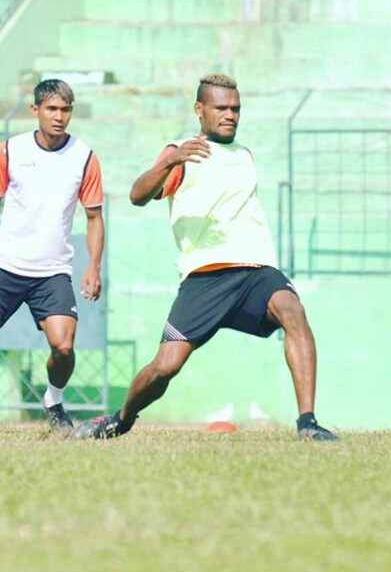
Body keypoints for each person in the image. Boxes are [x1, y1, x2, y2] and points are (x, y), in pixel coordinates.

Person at [71, 74, 338, 441]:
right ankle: (121, 418)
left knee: (292, 310)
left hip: (255, 269)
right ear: (200, 110)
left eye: (236, 108)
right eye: (221, 108)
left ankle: (307, 423)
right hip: (205, 277)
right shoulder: (181, 151)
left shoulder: (245, 154)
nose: (230, 115)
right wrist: (170, 162)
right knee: (166, 367)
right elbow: (137, 195)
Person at [0, 79, 104, 431]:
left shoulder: (84, 156)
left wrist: (93, 266)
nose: (59, 117)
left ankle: (54, 401)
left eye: (65, 110)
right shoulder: (11, 151)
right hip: (6, 265)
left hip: (52, 272)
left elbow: (93, 217)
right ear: (36, 111)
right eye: (51, 109)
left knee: (63, 346)